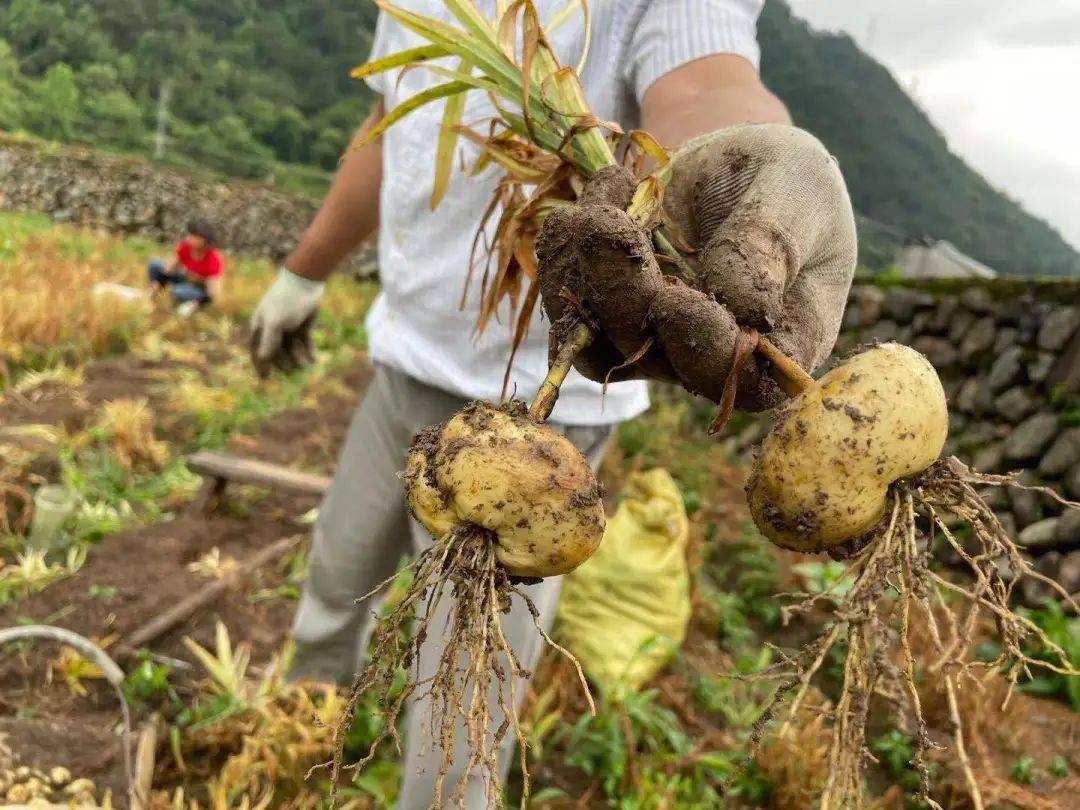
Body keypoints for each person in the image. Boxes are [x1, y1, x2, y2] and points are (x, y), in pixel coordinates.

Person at [249, 1, 857, 806]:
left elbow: (705, 80)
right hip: (405, 358)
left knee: (468, 679)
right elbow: (389, 122)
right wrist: (304, 271)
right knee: (337, 569)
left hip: (548, 421)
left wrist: (761, 155)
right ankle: (300, 727)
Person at [148, 218, 224, 307]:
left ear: (203, 241)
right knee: (155, 264)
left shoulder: (213, 258)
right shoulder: (185, 246)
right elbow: (170, 269)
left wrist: (198, 303)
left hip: (199, 288)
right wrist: (154, 288)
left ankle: (189, 302)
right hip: (184, 277)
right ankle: (155, 294)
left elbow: (213, 293)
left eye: (193, 236)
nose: (188, 238)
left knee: (178, 292)